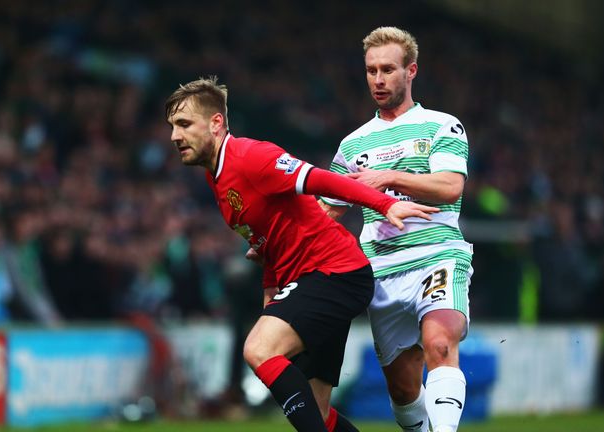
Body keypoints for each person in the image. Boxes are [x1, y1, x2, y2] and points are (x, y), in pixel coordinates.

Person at [165, 76, 439, 432]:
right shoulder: (215, 178)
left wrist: (385, 204)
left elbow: (323, 180)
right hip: (315, 280)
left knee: (258, 349)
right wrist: (270, 292)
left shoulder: (250, 157)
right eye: (172, 126)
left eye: (184, 124)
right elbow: (265, 243)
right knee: (319, 415)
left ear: (216, 123)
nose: (175, 136)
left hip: (334, 273)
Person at [318, 27, 474, 432]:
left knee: (440, 344)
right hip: (381, 270)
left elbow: (450, 186)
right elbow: (327, 213)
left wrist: (387, 176)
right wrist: (275, 239)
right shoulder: (352, 145)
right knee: (403, 390)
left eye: (388, 69)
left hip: (437, 255)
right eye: (371, 70)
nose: (378, 79)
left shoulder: (442, 126)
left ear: (411, 71)